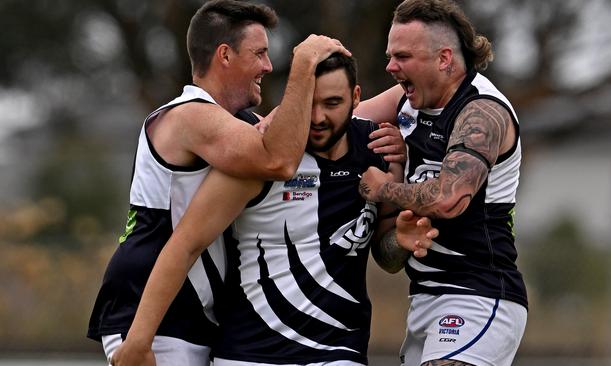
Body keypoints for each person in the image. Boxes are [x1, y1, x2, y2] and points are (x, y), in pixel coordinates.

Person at [86, 0, 350, 365]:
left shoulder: (235, 122)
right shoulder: (189, 115)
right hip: (149, 320)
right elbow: (279, 159)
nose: (268, 66)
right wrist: (304, 65)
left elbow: (301, 129)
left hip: (192, 318)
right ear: (225, 55)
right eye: (259, 53)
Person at [110, 53, 405, 366]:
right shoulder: (259, 158)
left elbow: (388, 255)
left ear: (355, 97)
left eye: (332, 103)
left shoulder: (378, 149)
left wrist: (403, 241)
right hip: (250, 355)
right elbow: (184, 245)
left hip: (339, 353)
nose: (317, 117)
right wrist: (138, 342)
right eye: (309, 103)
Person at [354, 0, 528, 365]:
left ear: (444, 59)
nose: (390, 66)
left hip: (479, 295)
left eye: (402, 56)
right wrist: (258, 125)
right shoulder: (407, 102)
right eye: (389, 55)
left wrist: (383, 187)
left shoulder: (482, 111)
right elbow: (336, 119)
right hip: (423, 301)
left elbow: (450, 199)